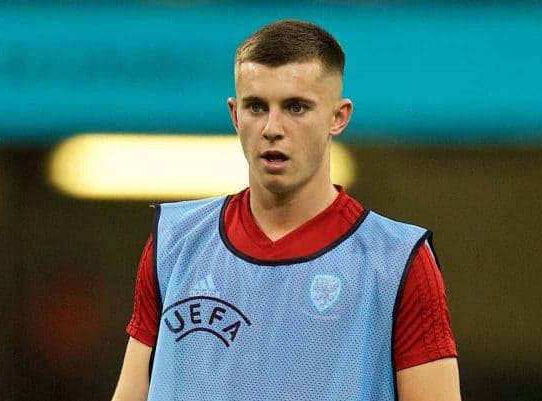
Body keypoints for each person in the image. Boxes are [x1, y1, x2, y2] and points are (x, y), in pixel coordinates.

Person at [112, 19, 461, 401]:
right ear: (234, 114)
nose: (272, 128)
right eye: (256, 107)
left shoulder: (397, 262)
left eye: (296, 107)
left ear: (338, 117)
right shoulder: (175, 245)